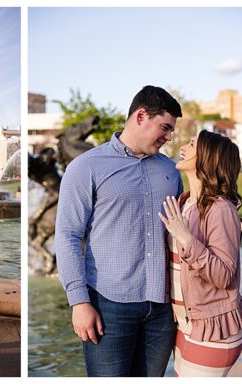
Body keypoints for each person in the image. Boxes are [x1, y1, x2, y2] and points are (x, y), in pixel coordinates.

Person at [54, 85, 183, 377]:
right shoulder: (85, 167)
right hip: (108, 307)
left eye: (171, 130)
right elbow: (67, 236)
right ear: (140, 116)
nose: (169, 137)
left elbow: (179, 235)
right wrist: (79, 302)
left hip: (162, 309)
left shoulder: (171, 171)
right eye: (164, 127)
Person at [159, 130, 242, 376]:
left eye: (192, 144)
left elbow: (223, 276)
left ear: (208, 158)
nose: (184, 147)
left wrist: (187, 238)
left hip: (214, 330)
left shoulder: (220, 209)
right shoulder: (183, 202)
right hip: (185, 325)